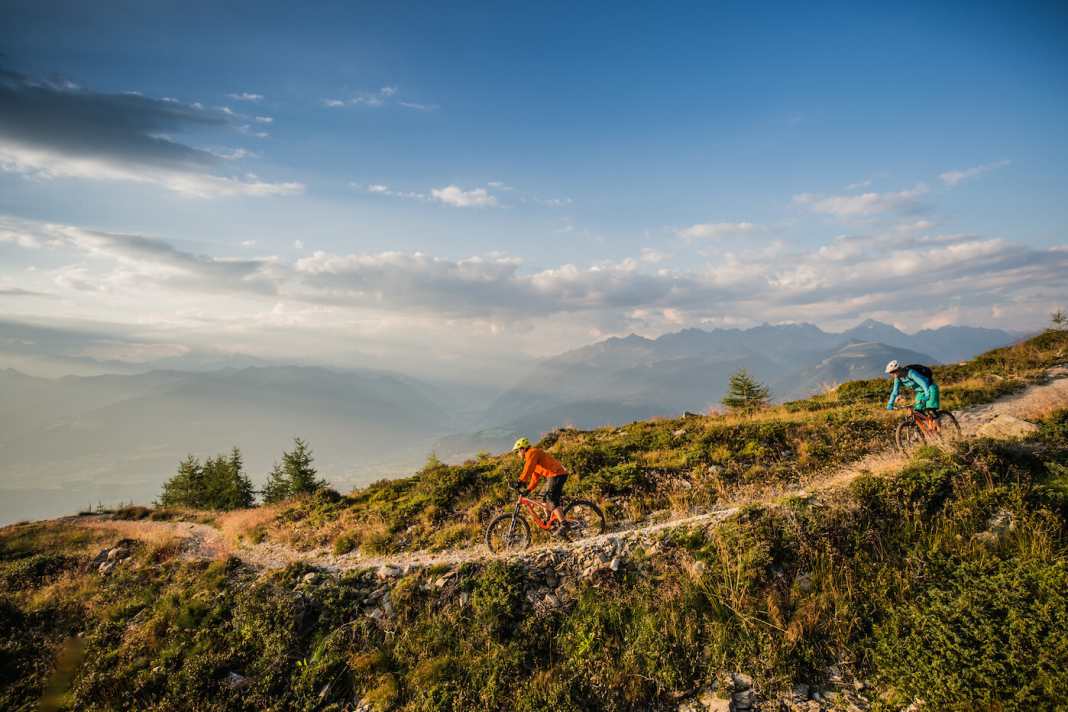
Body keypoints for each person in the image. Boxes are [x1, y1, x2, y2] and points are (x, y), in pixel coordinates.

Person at [512, 437, 569, 527]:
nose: (517, 454)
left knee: (551, 499)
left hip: (557, 474)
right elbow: (535, 478)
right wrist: (528, 489)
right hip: (553, 475)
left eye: (517, 451)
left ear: (522, 449)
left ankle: (564, 524)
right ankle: (551, 520)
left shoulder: (531, 453)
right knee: (542, 497)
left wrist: (520, 481)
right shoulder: (531, 457)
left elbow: (528, 469)